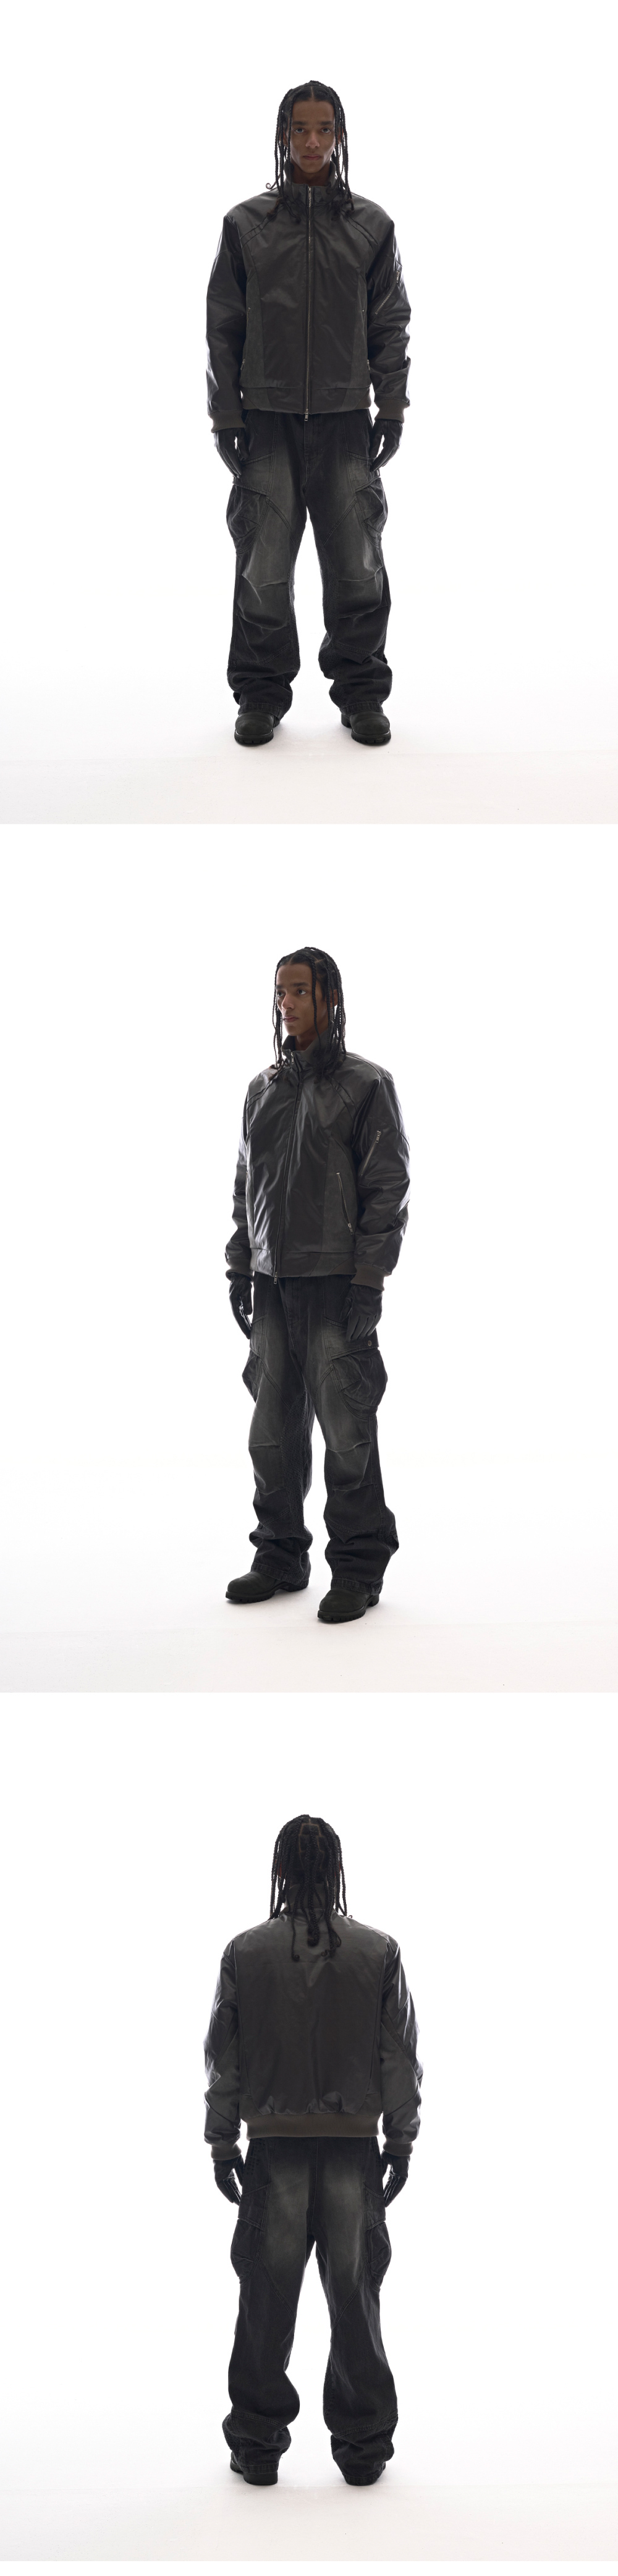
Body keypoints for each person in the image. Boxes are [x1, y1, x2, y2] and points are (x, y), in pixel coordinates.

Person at [205, 1811, 422, 2486]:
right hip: (353, 2154)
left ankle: (256, 2447)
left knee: (265, 2305)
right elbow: (398, 2055)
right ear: (335, 1870)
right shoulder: (378, 1951)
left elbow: (224, 2057)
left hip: (275, 2155)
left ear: (280, 1870)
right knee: (355, 2303)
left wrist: (222, 2143)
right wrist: (400, 2139)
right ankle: (364, 2449)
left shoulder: (244, 1952)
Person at [206, 81, 410, 748]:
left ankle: (362, 693)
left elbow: (389, 322)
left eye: (325, 129)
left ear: (340, 135)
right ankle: (260, 695)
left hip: (345, 419)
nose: (313, 142)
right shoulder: (247, 226)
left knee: (357, 564)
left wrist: (391, 406)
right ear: (283, 135)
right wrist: (226, 416)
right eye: (301, 129)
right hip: (265, 420)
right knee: (262, 568)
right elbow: (223, 326)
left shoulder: (372, 227)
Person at [225, 947, 409, 1624]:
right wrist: (240, 1264)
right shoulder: (262, 1089)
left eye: (300, 991)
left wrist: (370, 1280)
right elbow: (246, 1184)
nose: (287, 1003)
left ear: (330, 997)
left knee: (347, 1430)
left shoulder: (367, 1085)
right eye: (281, 991)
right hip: (272, 1281)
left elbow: (388, 1187)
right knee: (271, 1432)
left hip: (335, 1282)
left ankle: (358, 1569)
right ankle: (279, 1556)